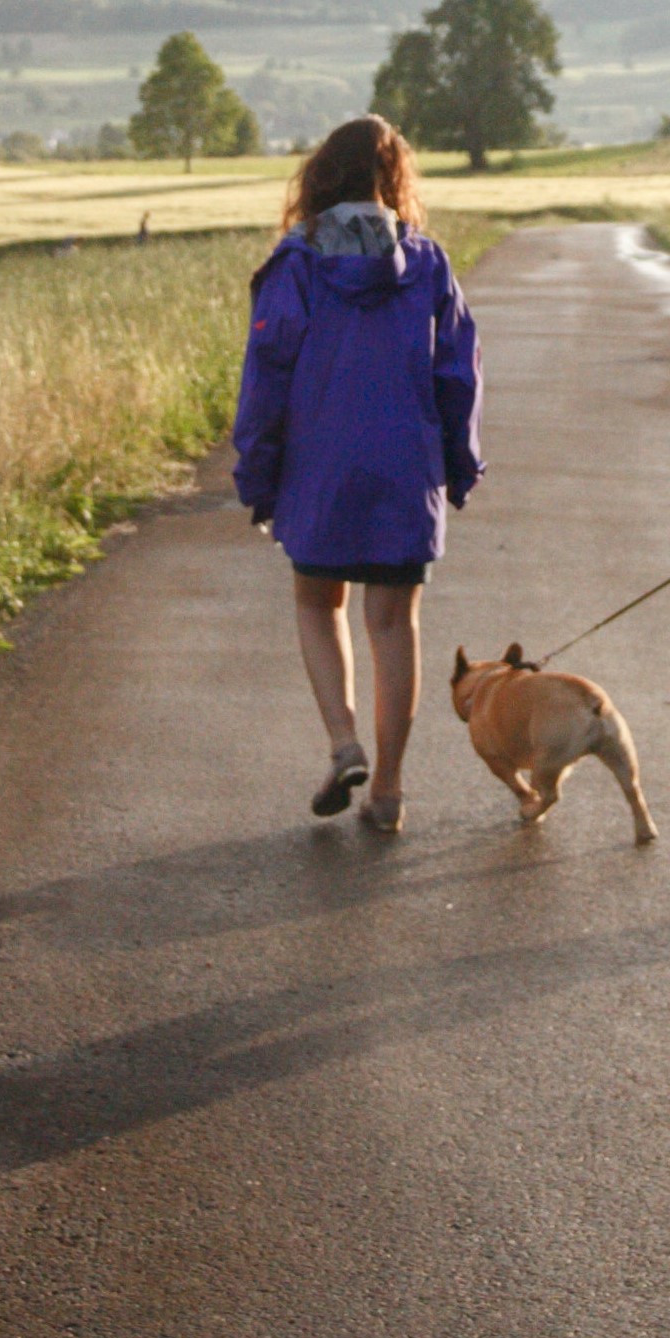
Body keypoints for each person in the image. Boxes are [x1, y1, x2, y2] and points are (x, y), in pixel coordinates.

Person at [235, 114, 483, 832]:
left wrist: (259, 474)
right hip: (404, 469)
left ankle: (344, 744)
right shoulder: (428, 263)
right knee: (395, 622)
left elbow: (266, 378)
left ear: (320, 177)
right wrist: (458, 469)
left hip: (321, 469)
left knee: (318, 604)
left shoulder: (297, 262)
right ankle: (390, 791)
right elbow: (458, 376)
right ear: (392, 179)